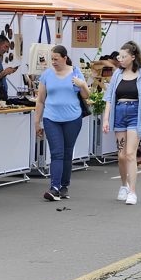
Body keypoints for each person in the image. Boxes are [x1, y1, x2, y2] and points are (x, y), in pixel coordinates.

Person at [102, 41, 141, 206]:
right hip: (119, 113)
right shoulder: (117, 75)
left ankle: (132, 191)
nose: (121, 59)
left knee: (130, 154)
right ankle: (123, 185)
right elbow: (109, 98)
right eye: (120, 56)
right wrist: (106, 118)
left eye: (124, 56)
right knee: (121, 155)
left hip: (136, 114)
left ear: (133, 57)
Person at [34, 45, 89, 201]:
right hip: (51, 118)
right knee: (57, 152)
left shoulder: (76, 73)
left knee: (67, 152)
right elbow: (40, 100)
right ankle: (55, 187)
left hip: (73, 118)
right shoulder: (47, 75)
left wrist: (82, 84)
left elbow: (85, 95)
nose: (54, 62)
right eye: (52, 59)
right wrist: (36, 122)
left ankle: (64, 186)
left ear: (65, 58)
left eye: (56, 59)